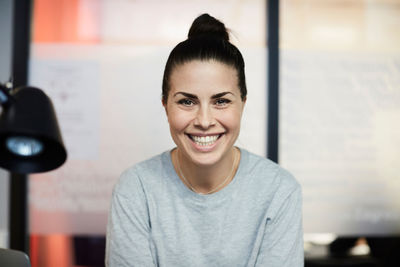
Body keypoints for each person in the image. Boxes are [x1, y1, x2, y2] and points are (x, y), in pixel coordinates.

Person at [105, 14, 303, 267]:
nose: (204, 120)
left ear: (242, 103)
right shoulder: (136, 189)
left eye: (221, 101)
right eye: (187, 101)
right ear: (165, 105)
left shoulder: (278, 190)